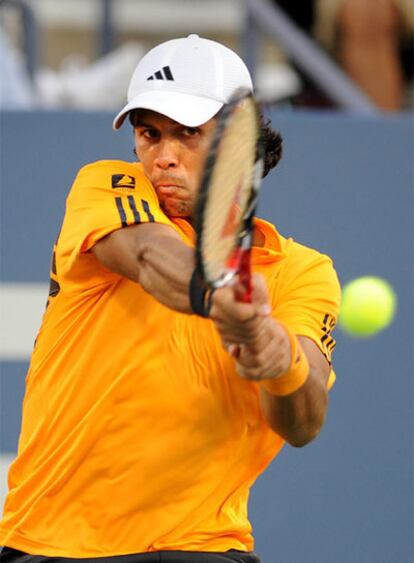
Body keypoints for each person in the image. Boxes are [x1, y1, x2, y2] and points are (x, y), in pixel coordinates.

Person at [0, 35, 340, 563]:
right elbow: (149, 256)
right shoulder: (106, 186)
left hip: (204, 546)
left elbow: (303, 421)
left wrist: (280, 362)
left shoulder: (303, 272)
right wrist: (224, 294)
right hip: (56, 545)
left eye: (188, 134)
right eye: (150, 134)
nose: (163, 157)